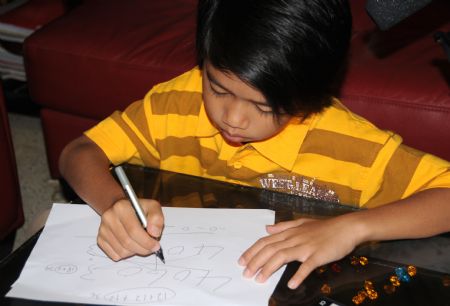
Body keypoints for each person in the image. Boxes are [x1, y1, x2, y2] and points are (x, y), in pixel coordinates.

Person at [59, 0, 450, 290]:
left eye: (263, 106)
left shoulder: (350, 145)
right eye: (217, 87)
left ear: (307, 98)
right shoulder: (176, 103)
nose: (233, 117)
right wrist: (113, 203)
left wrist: (351, 228)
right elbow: (78, 153)